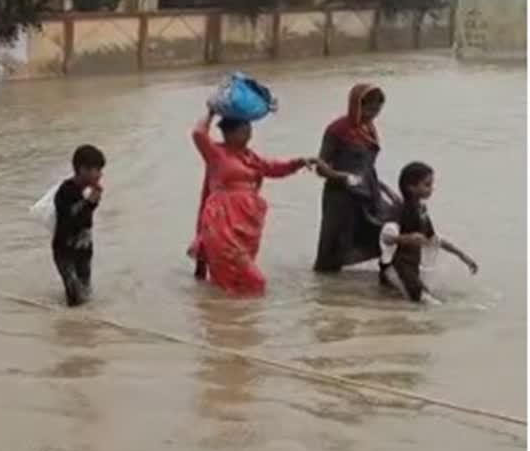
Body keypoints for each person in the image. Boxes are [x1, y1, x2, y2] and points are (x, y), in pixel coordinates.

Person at [189, 109, 322, 296]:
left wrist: (299, 162)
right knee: (254, 281)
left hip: (245, 227)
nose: (249, 133)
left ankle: (222, 319)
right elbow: (198, 134)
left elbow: (275, 168)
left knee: (232, 283)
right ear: (229, 133)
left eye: (249, 129)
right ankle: (236, 317)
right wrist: (211, 112)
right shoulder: (216, 153)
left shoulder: (250, 157)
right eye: (243, 129)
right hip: (222, 226)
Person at [314, 84, 398, 272]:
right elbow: (321, 167)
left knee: (394, 220)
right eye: (369, 109)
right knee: (333, 249)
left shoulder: (368, 129)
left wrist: (386, 190)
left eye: (377, 110)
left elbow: (367, 167)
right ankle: (328, 292)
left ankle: (386, 272)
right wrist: (341, 176)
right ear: (356, 105)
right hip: (341, 197)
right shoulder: (337, 130)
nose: (372, 115)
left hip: (368, 192)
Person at [379, 161, 479, 303]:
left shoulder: (421, 211)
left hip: (411, 269)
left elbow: (433, 239)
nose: (431, 188)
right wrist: (406, 238)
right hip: (396, 268)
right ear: (411, 187)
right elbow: (386, 237)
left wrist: (461, 255)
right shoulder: (400, 210)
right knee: (425, 303)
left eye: (431, 184)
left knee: (429, 301)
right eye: (427, 184)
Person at [52, 145, 105, 307]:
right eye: (97, 170)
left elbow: (86, 217)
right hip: (65, 252)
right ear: (82, 170)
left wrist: (92, 202)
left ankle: (81, 326)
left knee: (86, 293)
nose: (100, 174)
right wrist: (89, 202)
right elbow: (69, 221)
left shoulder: (88, 191)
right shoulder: (66, 191)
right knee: (75, 297)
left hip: (84, 251)